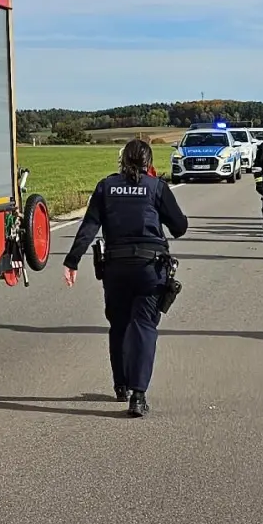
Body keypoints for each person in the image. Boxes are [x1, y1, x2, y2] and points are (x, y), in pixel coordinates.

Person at [62, 139, 189, 417]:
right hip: (149, 269)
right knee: (144, 326)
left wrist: (72, 261)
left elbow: (89, 226)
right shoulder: (156, 187)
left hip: (116, 269)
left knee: (118, 325)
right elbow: (180, 227)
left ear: (122, 161)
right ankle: (139, 396)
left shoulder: (106, 187)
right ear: (149, 163)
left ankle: (121, 385)